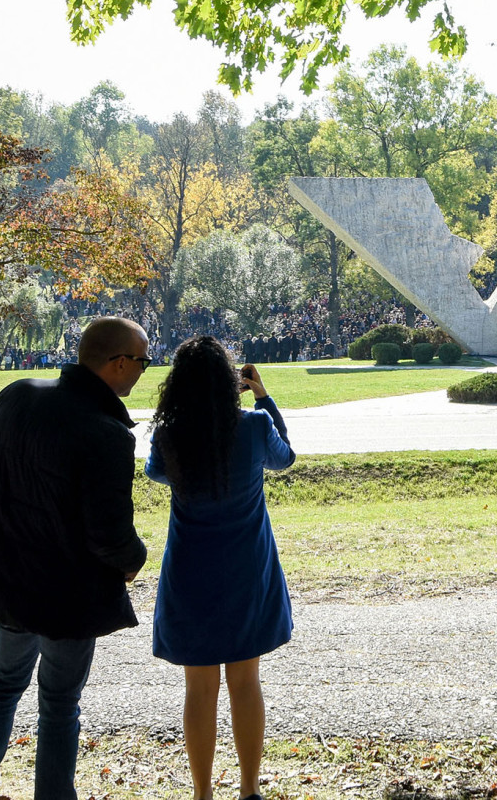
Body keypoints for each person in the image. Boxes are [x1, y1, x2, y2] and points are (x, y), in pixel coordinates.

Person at [0, 316, 150, 800]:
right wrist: (134, 559)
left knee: (1, 684)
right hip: (66, 594)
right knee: (59, 703)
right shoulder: (106, 431)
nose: (145, 370)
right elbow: (108, 533)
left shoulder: (16, 394)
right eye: (143, 361)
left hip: (6, 578)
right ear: (119, 363)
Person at [145, 336, 295, 800]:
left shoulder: (168, 434)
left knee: (199, 687)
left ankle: (203, 793)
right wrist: (265, 397)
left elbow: (156, 472)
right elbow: (285, 457)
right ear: (230, 380)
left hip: (191, 569)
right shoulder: (252, 426)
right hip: (245, 567)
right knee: (245, 682)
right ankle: (250, 789)